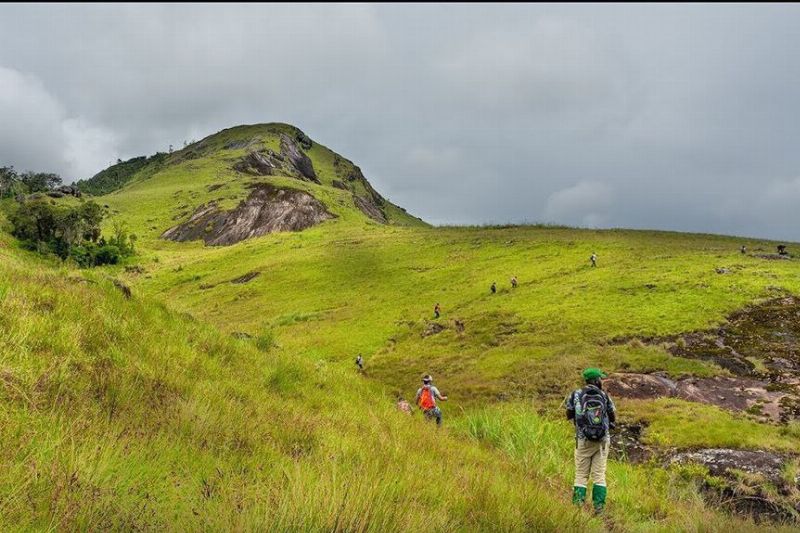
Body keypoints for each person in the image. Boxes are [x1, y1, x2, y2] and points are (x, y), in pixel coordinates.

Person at [565, 368, 617, 514]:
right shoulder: (604, 395)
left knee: (581, 475)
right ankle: (599, 509)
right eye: (600, 379)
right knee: (599, 475)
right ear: (595, 380)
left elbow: (568, 414)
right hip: (602, 440)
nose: (601, 381)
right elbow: (612, 417)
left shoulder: (576, 395)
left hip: (582, 440)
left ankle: (577, 509)